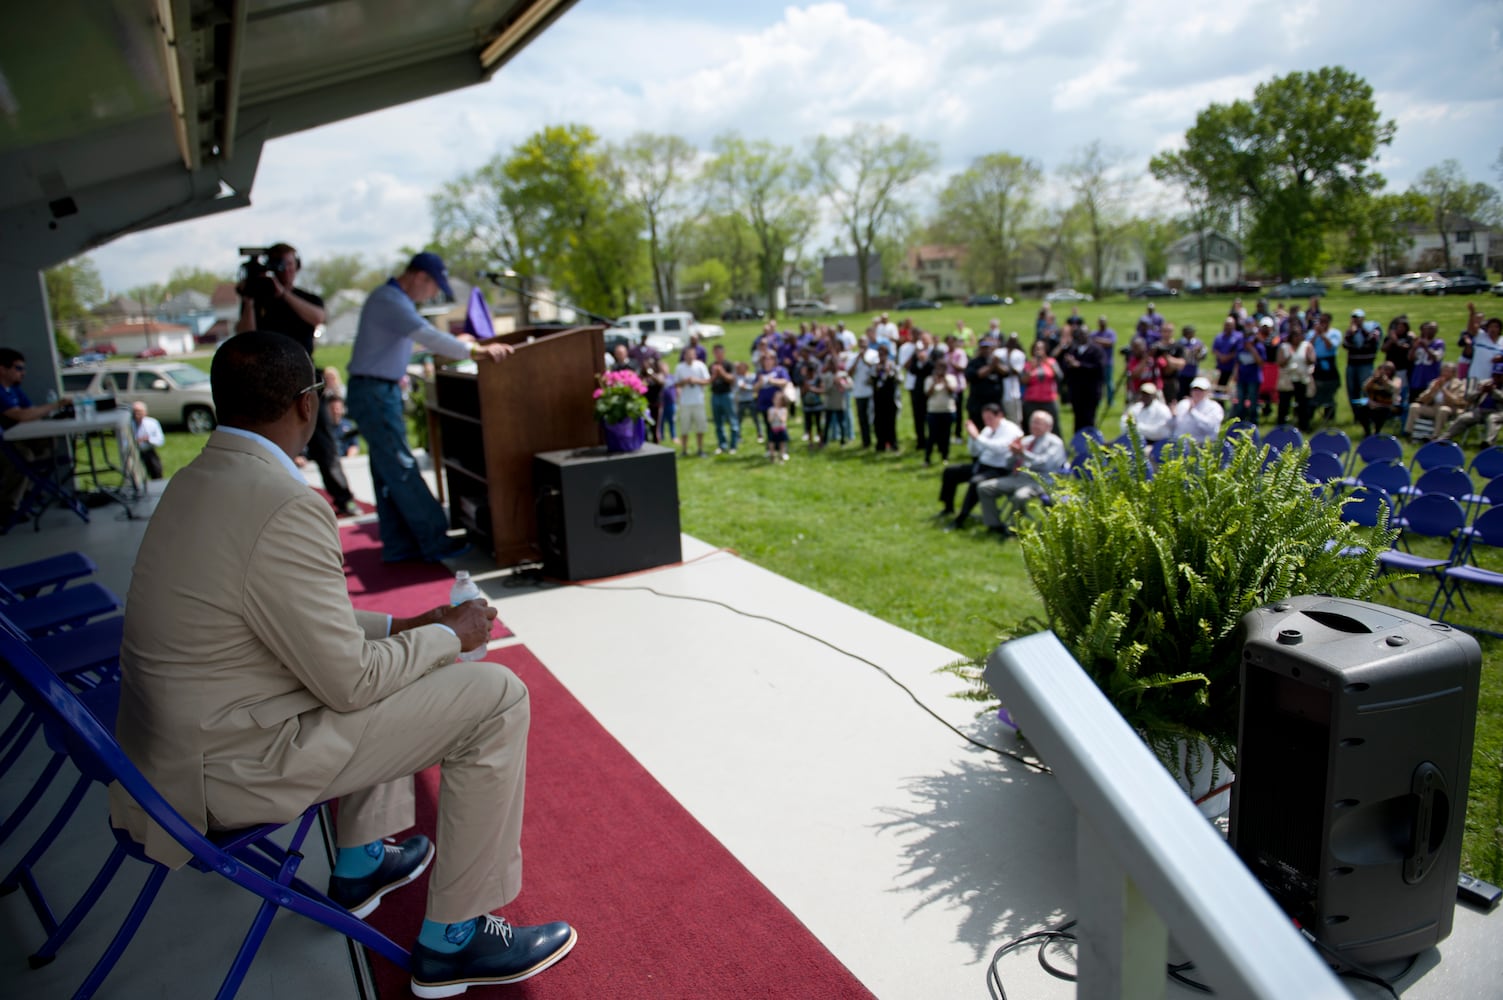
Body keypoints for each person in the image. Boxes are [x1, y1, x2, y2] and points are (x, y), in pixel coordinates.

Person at [111, 331, 575, 996]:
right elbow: (350, 680)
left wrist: (407, 625)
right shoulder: (284, 502)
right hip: (227, 770)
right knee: (496, 695)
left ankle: (360, 864)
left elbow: (285, 619)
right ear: (308, 405)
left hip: (169, 757)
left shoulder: (193, 481)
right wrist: (452, 635)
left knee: (395, 658)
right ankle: (456, 939)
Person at [346, 252, 512, 563]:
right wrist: (476, 350)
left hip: (374, 389)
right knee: (401, 467)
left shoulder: (392, 301)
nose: (433, 294)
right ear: (420, 276)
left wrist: (458, 343)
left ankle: (398, 545)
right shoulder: (390, 301)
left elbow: (412, 343)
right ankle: (435, 540)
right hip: (375, 391)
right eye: (434, 286)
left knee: (387, 471)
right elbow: (425, 334)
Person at [236, 243, 359, 517]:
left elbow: (317, 317)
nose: (286, 270)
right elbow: (244, 335)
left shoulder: (305, 298)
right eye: (280, 265)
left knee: (324, 442)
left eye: (290, 264)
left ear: (298, 266)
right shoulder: (259, 302)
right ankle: (276, 502)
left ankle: (343, 497)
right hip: (269, 381)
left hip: (305, 378)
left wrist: (283, 294)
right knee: (273, 445)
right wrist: (249, 299)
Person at [1, 347, 70, 526]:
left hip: (19, 437)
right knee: (24, 458)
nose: (23, 373)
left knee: (48, 443)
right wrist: (55, 405)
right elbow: (21, 415)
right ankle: (9, 507)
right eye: (18, 368)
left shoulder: (14, 389)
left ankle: (29, 490)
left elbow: (30, 411)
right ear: (2, 369)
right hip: (5, 443)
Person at [977, 410, 1068, 537]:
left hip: (1039, 481)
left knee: (1020, 497)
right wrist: (1013, 454)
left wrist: (1023, 453)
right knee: (984, 488)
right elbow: (1008, 464)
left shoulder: (1055, 442)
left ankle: (1013, 530)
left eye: (1038, 423)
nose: (1034, 426)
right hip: (1018, 477)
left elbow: (1045, 464)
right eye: (1033, 422)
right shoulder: (1026, 440)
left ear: (1049, 426)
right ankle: (994, 525)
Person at [937, 403, 1022, 531]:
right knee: (950, 471)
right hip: (982, 465)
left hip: (999, 469)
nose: (987, 422)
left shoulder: (1011, 430)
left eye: (990, 418)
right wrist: (973, 439)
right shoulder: (988, 429)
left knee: (975, 482)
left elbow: (999, 448)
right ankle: (948, 508)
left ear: (999, 415)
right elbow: (975, 452)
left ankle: (961, 518)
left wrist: (977, 437)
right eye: (985, 419)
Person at [1059, 323, 1104, 433]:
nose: (1081, 336)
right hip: (1076, 392)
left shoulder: (1096, 350)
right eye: (1079, 334)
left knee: (1089, 419)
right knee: (1078, 419)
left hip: (1090, 392)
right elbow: (1065, 369)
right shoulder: (1072, 350)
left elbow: (1099, 369)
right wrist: (1068, 363)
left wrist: (1079, 365)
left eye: (1083, 334)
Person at [1405, 362, 1467, 441]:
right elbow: (1421, 399)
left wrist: (1443, 390)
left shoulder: (1459, 384)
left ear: (1453, 373)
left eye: (1448, 371)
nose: (1445, 373)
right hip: (1434, 407)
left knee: (1443, 409)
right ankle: (1410, 433)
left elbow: (1457, 401)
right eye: (1444, 371)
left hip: (1450, 408)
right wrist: (1433, 390)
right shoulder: (1435, 382)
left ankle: (1435, 436)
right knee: (1414, 406)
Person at [1438, 376, 1503, 448]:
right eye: (1495, 375)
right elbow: (1468, 398)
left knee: (1492, 418)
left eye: (1499, 375)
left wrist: (1493, 391)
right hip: (1480, 411)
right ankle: (1443, 439)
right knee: (1464, 418)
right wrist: (1480, 391)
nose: (1497, 378)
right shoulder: (1485, 383)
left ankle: (1488, 444)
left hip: (1498, 412)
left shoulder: (1493, 388)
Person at [673, 346, 711, 457]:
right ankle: (684, 450)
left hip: (698, 400)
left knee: (700, 427)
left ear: (695, 355)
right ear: (684, 356)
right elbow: (676, 384)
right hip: (685, 402)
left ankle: (700, 449)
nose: (689, 357)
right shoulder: (679, 367)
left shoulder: (700, 366)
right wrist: (685, 381)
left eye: (691, 355)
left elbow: (707, 380)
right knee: (684, 428)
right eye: (687, 355)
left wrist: (696, 381)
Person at [923, 347, 958, 465]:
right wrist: (934, 383)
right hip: (933, 411)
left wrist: (945, 381)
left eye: (943, 368)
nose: (940, 370)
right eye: (938, 368)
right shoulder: (929, 379)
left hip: (947, 410)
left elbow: (952, 391)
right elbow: (927, 394)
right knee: (932, 436)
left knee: (946, 435)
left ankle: (945, 456)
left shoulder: (951, 378)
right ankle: (927, 458)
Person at [1173, 377, 1225, 443]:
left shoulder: (1214, 407)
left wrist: (1193, 412)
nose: (1197, 392)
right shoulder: (1183, 404)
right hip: (1180, 444)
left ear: (1207, 391)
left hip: (1202, 445)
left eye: (1201, 390)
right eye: (1195, 389)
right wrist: (1173, 415)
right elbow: (1175, 425)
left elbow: (1210, 427)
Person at [1357, 362, 1400, 438]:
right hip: (1373, 405)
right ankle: (1367, 432)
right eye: (1384, 369)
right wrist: (1373, 378)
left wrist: (1385, 380)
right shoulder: (1374, 379)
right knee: (1361, 410)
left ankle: (1377, 432)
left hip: (1388, 406)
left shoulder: (1396, 380)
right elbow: (1364, 388)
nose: (1386, 372)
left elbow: (1394, 389)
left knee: (1381, 412)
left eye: (1389, 370)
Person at [709, 344, 738, 454]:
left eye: (719, 352)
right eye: (715, 352)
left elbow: (732, 379)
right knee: (718, 422)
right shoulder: (712, 365)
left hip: (727, 395)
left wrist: (722, 372)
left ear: (723, 353)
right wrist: (714, 374)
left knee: (732, 420)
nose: (717, 355)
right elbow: (709, 380)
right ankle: (722, 445)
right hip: (715, 395)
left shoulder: (728, 365)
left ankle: (733, 445)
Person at [131, 401, 165, 480]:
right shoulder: (129, 425)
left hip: (149, 451)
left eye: (139, 412)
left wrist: (148, 440)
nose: (136, 414)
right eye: (134, 412)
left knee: (156, 471)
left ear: (145, 412)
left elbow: (160, 440)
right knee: (136, 476)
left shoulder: (152, 423)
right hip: (135, 453)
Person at [766, 392, 790, 462]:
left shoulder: (784, 410)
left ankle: (781, 457)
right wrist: (774, 415)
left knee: (782, 444)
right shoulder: (770, 410)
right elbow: (769, 420)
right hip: (773, 430)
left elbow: (783, 420)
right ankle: (772, 457)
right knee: (771, 444)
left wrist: (778, 415)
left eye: (779, 400)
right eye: (776, 399)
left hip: (781, 430)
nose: (777, 401)